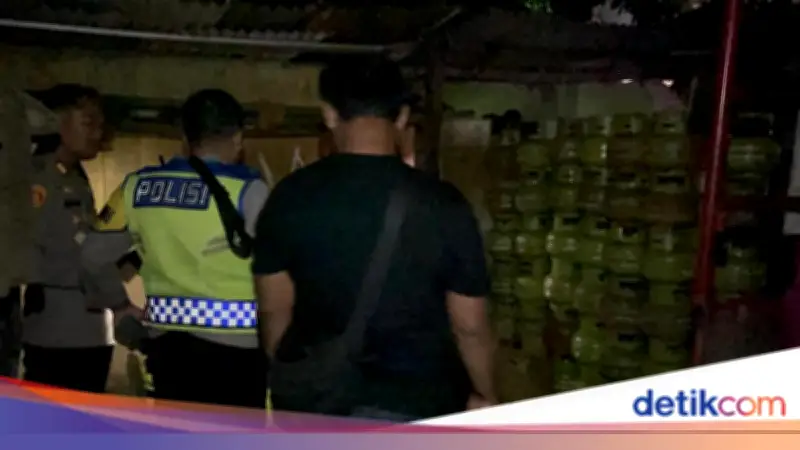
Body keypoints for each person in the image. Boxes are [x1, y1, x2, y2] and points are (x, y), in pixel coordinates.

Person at [253, 56, 497, 421]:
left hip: (319, 407)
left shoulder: (288, 197)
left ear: (329, 114)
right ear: (401, 117)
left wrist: (294, 373)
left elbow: (274, 308)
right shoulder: (443, 204)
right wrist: (486, 393)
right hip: (417, 403)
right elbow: (470, 326)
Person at [80, 89, 269, 408]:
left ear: (184, 137)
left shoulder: (136, 187)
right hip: (237, 353)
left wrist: (120, 306)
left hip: (166, 349)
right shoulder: (250, 191)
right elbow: (279, 268)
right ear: (238, 138)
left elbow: (91, 256)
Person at [20, 84, 131, 393]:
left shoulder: (71, 176)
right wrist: (120, 304)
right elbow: (81, 251)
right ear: (56, 121)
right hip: (64, 332)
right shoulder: (46, 179)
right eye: (88, 122)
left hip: (77, 328)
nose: (98, 132)